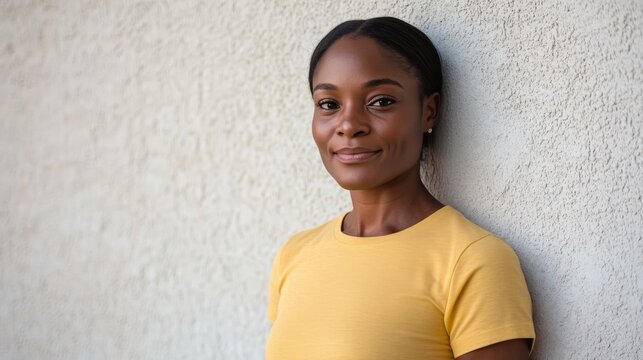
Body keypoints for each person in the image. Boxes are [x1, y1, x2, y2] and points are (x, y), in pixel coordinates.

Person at [266, 17, 535, 360]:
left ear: (429, 111)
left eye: (380, 101)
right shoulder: (294, 254)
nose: (348, 125)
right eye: (329, 104)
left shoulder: (472, 260)